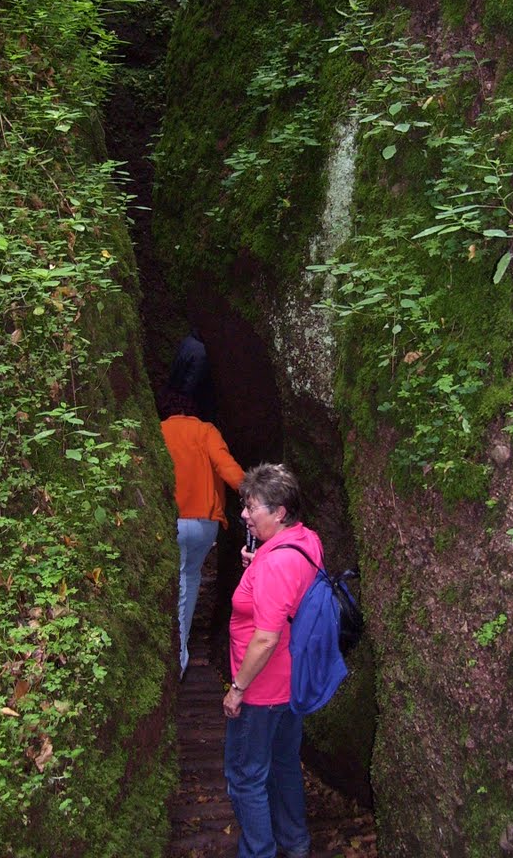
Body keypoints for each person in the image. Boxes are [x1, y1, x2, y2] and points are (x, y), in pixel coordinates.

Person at [223, 463, 322, 858]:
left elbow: (265, 638)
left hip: (263, 689)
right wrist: (258, 567)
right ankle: (295, 843)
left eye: (252, 507)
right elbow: (291, 595)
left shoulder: (277, 561)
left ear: (279, 512)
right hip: (291, 682)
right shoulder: (304, 541)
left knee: (247, 777)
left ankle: (259, 851)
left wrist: (237, 690)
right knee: (282, 764)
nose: (245, 514)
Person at [160, 393, 244, 679]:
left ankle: (175, 654)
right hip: (203, 523)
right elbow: (225, 465)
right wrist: (254, 492)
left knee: (175, 580)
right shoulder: (205, 430)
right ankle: (180, 648)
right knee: (190, 576)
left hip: (168, 520)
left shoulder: (158, 431)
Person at [162, 327, 217, 423]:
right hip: (184, 398)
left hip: (174, 387)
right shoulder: (202, 354)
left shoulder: (188, 340)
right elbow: (191, 383)